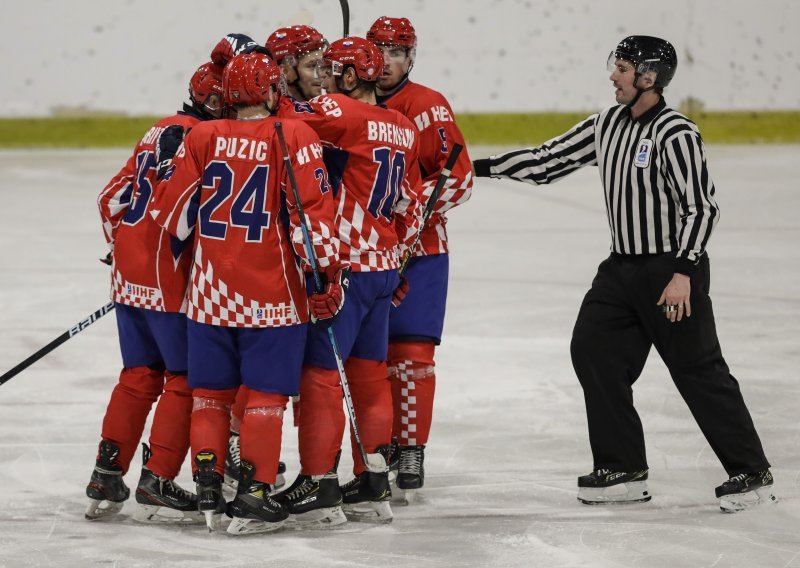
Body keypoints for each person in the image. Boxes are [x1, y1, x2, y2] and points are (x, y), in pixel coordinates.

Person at [472, 36, 774, 512]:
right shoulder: (605, 125)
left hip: (671, 268)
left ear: (649, 78)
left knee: (697, 370)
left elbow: (701, 208)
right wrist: (475, 168)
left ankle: (752, 474)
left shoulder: (676, 134)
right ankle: (623, 468)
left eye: (624, 68)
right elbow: (547, 161)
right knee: (594, 351)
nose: (613, 74)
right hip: (620, 270)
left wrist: (684, 273)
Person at [152, 52, 341, 534]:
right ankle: (255, 494)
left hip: (209, 294)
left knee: (210, 396)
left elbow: (172, 218)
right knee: (266, 397)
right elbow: (311, 218)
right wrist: (327, 278)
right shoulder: (292, 134)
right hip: (274, 297)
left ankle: (210, 491)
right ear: (271, 92)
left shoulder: (201, 136)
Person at [273, 36, 423, 526]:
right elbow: (409, 204)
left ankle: (319, 483)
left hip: (348, 270)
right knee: (369, 374)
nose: (326, 80)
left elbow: (280, 124)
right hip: (382, 268)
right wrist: (395, 256)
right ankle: (373, 481)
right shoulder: (403, 127)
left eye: (333, 72)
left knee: (319, 376)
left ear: (352, 77)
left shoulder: (340, 112)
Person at [88, 61, 224, 524]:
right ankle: (159, 477)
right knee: (183, 378)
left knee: (138, 373)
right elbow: (191, 216)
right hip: (170, 275)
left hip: (130, 271)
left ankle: (107, 470)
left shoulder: (157, 131)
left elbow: (111, 199)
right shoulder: (207, 139)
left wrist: (121, 249)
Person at [366, 16, 474, 502]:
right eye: (379, 51)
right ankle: (373, 451)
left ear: (411, 58)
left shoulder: (428, 107)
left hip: (420, 254)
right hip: (361, 256)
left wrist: (406, 211)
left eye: (397, 52)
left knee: (411, 358)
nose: (387, 62)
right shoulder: (345, 105)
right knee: (365, 360)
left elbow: (460, 177)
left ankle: (411, 449)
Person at [266, 25, 328, 103]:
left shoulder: (332, 106)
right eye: (312, 66)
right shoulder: (275, 114)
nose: (323, 73)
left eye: (323, 65)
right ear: (285, 72)